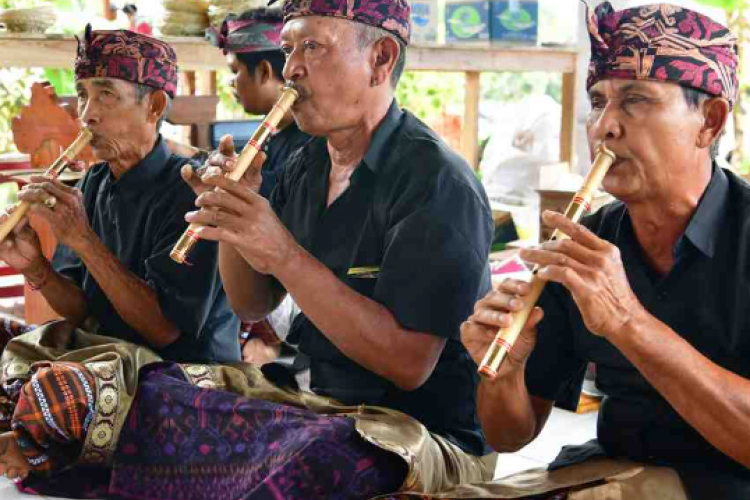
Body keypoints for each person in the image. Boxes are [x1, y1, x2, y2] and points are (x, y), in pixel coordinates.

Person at [0, 1, 496, 498]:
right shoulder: (309, 166)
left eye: (312, 47)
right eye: (287, 48)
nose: (291, 68)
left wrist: (281, 251)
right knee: (156, 394)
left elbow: (408, 366)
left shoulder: (435, 181)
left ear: (381, 59)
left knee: (312, 454)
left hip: (418, 435)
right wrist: (234, 219)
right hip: (320, 407)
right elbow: (252, 303)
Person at [455, 3, 750, 500]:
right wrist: (503, 372)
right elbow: (509, 434)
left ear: (710, 122)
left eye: (636, 100)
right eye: (598, 102)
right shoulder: (586, 244)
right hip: (613, 474)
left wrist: (626, 322)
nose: (604, 127)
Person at [0, 25, 240, 482]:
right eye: (83, 95)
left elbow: (166, 330)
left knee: (57, 389)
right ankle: (35, 437)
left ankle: (35, 446)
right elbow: (82, 311)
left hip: (180, 377)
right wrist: (36, 266)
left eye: (105, 95)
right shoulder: (95, 183)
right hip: (107, 360)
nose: (86, 115)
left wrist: (85, 241)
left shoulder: (190, 190)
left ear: (153, 106)